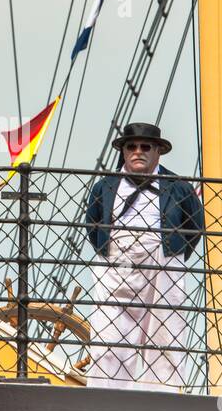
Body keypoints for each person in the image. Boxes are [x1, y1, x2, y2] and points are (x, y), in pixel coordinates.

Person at [85, 122, 203, 392]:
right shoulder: (105, 186)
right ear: (124, 152)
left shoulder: (178, 187)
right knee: (109, 335)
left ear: (158, 152)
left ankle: (162, 396)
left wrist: (172, 252)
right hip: (116, 266)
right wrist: (110, 250)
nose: (138, 151)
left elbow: (194, 225)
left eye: (145, 147)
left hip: (163, 265)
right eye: (131, 147)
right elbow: (92, 223)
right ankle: (106, 396)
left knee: (165, 331)